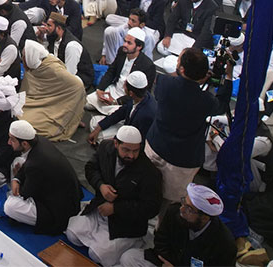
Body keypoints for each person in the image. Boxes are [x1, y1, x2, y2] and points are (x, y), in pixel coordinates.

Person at [66, 125, 162, 266]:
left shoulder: (149, 172)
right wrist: (100, 185)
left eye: (135, 151)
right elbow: (90, 168)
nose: (131, 155)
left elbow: (151, 207)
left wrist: (116, 208)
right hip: (99, 209)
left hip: (126, 223)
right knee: (72, 234)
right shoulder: (105, 148)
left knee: (97, 254)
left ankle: (132, 242)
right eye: (126, 150)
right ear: (116, 144)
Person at [145, 48, 232, 200]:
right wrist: (228, 76)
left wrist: (196, 80)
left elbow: (180, 86)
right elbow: (222, 105)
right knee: (171, 200)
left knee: (145, 188)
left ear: (182, 69)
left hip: (156, 146)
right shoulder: (206, 101)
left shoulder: (164, 83)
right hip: (183, 160)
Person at [119, 184, 236, 267]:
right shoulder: (173, 212)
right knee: (129, 257)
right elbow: (161, 243)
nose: (182, 209)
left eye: (189, 209)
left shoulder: (225, 244)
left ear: (204, 217)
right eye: (184, 202)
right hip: (166, 263)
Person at [3, 119, 82, 235]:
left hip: (58, 210)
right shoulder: (40, 141)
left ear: (24, 143)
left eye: (12, 140)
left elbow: (26, 193)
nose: (9, 142)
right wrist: (17, 179)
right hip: (61, 193)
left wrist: (18, 183)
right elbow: (27, 166)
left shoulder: (35, 165)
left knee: (10, 207)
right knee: (17, 162)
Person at [20, 40, 85, 141]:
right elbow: (30, 90)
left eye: (24, 56)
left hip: (54, 105)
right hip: (36, 100)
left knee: (28, 123)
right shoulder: (34, 66)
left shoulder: (52, 68)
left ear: (30, 57)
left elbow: (77, 85)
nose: (23, 59)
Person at [86, 29, 156, 116]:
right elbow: (111, 71)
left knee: (114, 116)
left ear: (139, 47)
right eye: (125, 41)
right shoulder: (122, 51)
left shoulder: (148, 65)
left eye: (129, 43)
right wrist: (100, 89)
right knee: (87, 103)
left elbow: (142, 94)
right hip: (113, 90)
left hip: (128, 98)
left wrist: (116, 101)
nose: (124, 45)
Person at [89, 71, 157, 144]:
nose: (123, 86)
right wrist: (99, 128)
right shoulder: (136, 97)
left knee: (102, 138)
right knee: (95, 123)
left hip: (133, 138)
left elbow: (137, 139)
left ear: (131, 93)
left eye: (125, 85)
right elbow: (119, 113)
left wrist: (116, 141)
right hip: (127, 125)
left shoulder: (146, 114)